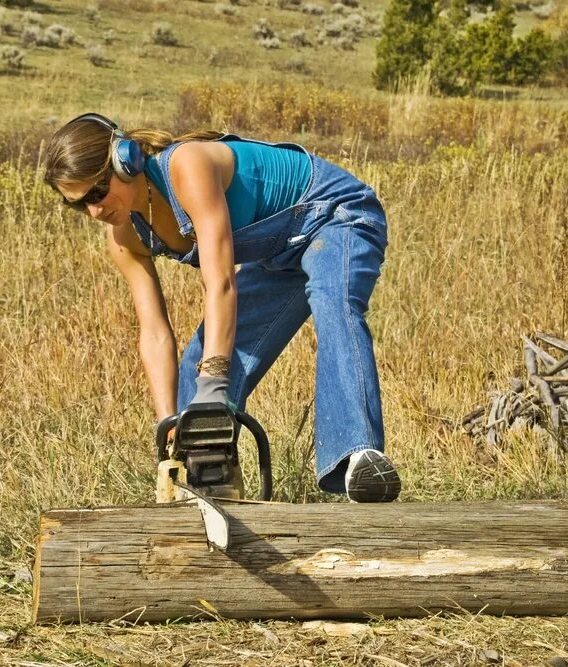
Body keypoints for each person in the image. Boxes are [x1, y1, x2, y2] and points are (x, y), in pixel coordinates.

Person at [43, 113, 400, 502]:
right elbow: (155, 332)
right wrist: (170, 423)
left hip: (335, 215)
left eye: (96, 193)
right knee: (195, 373)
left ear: (124, 161)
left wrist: (215, 381)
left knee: (334, 300)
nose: (94, 212)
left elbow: (222, 282)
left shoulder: (186, 166)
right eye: (79, 206)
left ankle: (360, 459)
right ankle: (209, 491)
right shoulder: (124, 237)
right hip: (278, 256)